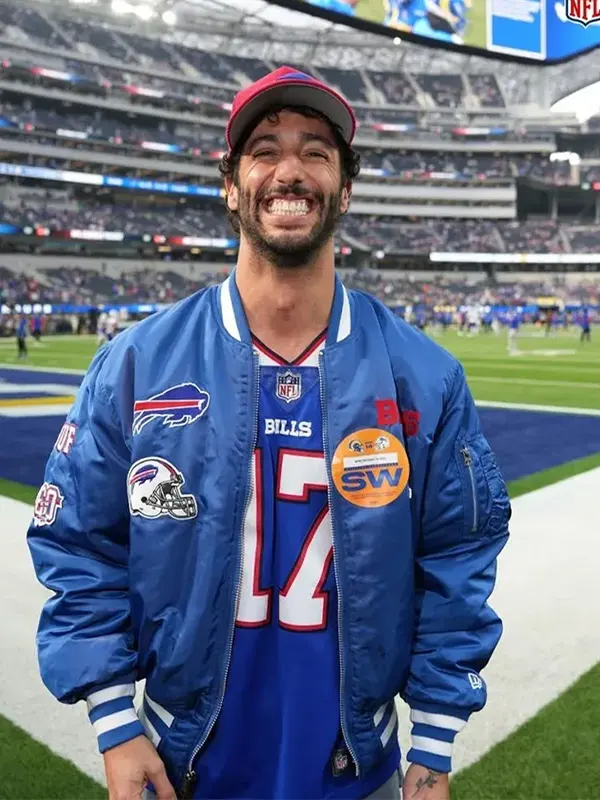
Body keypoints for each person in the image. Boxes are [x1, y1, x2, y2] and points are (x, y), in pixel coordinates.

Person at [27, 66, 510, 800]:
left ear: (345, 189)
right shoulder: (135, 365)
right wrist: (115, 725)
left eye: (317, 151)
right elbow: (78, 543)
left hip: (361, 769)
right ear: (232, 184)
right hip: (181, 764)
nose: (291, 170)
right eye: (265, 150)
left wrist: (435, 742)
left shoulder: (423, 376)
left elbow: (457, 557)